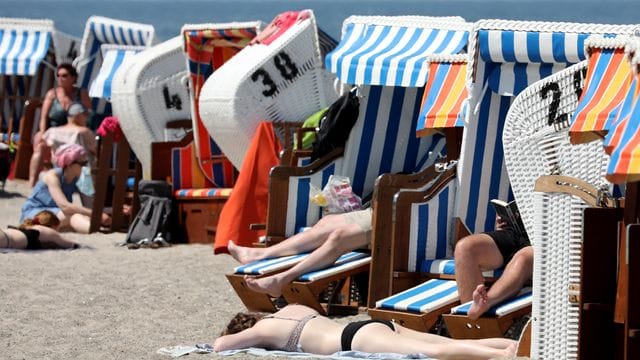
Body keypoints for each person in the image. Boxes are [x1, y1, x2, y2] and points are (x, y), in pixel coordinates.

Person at [213, 304, 517, 360]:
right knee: (447, 342)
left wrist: (249, 334)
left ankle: (504, 355)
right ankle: (510, 343)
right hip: (367, 326)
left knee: (435, 353)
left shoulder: (263, 330)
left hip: (353, 339)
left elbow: (220, 346)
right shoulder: (291, 308)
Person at [228, 208, 372, 298]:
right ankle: (259, 254)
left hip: (392, 215)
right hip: (378, 206)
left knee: (340, 237)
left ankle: (282, 279)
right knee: (326, 223)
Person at [454, 210, 533, 320]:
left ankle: (485, 302)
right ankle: (470, 320)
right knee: (465, 248)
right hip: (515, 232)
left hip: (544, 240)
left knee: (523, 258)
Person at [21, 143, 110, 234]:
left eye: (87, 163)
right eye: (83, 163)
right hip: (36, 213)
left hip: (59, 213)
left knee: (82, 216)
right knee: (74, 215)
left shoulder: (82, 176)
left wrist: (113, 209)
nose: (86, 167)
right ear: (69, 164)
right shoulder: (52, 176)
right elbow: (65, 206)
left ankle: (94, 231)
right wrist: (97, 214)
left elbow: (89, 206)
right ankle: (96, 232)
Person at [29, 63, 92, 187]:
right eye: (58, 76)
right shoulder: (52, 94)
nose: (60, 78)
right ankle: (32, 182)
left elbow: (89, 115)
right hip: (54, 132)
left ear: (73, 78)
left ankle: (78, 185)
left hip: (73, 134)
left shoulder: (81, 93)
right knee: (41, 145)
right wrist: (42, 132)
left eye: (64, 75)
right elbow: (43, 116)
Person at [0, 210, 81, 250]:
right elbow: (70, 245)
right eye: (58, 229)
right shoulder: (48, 231)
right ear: (54, 226)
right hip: (5, 240)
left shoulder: (27, 227)